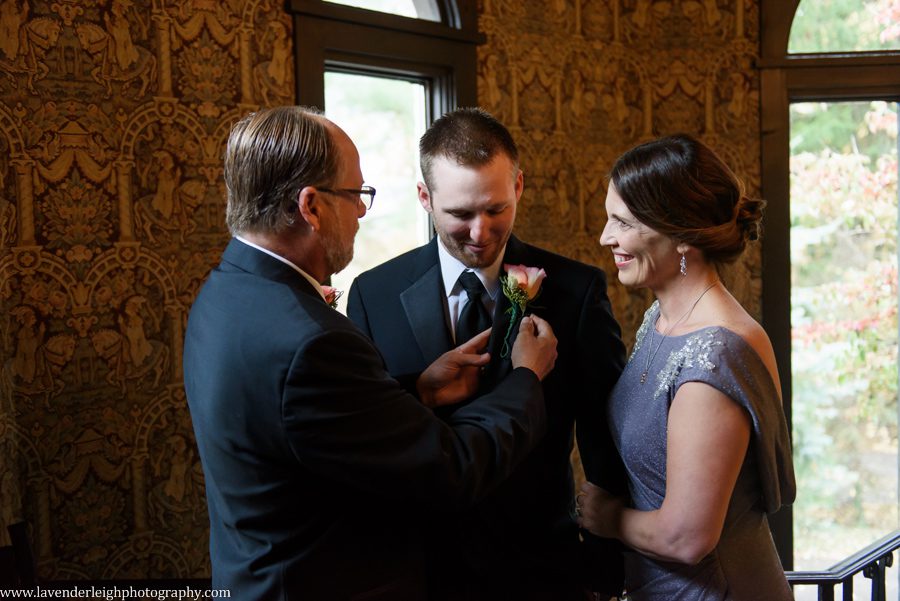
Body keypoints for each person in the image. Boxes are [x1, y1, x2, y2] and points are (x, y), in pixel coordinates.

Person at [183, 106, 561, 601]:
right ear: (311, 206)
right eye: (356, 194)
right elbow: (451, 470)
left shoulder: (223, 292)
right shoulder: (311, 340)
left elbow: (304, 423)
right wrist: (525, 379)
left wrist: (415, 393)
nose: (363, 212)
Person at [347, 107, 627, 600]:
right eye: (460, 214)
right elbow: (369, 436)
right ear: (424, 198)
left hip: (543, 571)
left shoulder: (576, 292)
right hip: (416, 574)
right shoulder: (374, 294)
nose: (480, 233)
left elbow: (605, 440)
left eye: (496, 209)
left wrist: (603, 571)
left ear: (518, 186)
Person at [578, 134, 796, 600]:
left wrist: (607, 518)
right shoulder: (662, 317)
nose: (605, 237)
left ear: (678, 233)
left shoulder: (714, 353)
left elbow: (688, 538)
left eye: (622, 222)